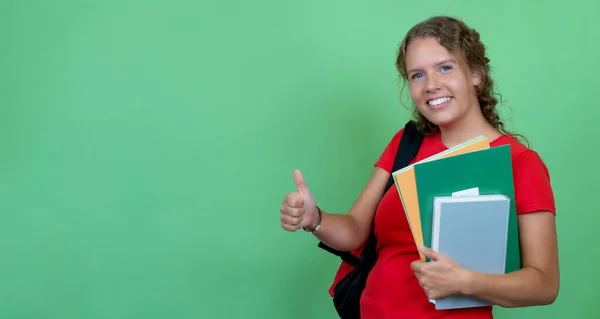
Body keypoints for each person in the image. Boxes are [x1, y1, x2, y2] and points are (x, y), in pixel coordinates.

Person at [279, 15, 559, 319]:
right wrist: (314, 218)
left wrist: (465, 281)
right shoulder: (406, 144)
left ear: (476, 73)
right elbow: (356, 231)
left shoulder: (518, 163)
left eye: (445, 68)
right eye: (417, 75)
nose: (431, 85)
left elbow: (544, 284)